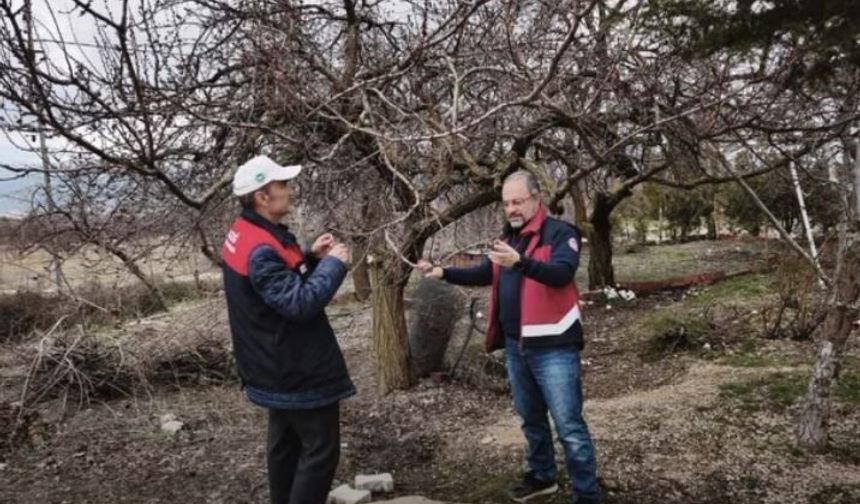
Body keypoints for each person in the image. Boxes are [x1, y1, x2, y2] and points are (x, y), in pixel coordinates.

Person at [417, 170, 600, 504]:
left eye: (518, 201)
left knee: (569, 426)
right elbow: (487, 271)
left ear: (536, 198)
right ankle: (543, 477)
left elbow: (561, 274)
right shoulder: (509, 237)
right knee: (530, 418)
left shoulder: (561, 233)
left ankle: (586, 495)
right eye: (506, 203)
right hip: (518, 346)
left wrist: (521, 262)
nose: (512, 209)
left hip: (555, 346)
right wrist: (442, 272)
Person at [221, 155, 354, 504]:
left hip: (271, 366)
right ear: (262, 197)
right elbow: (299, 303)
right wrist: (334, 266)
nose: (290, 191)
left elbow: (273, 287)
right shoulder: (261, 248)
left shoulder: (249, 234)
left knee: (285, 446)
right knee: (320, 451)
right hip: (295, 370)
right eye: (283, 185)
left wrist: (309, 257)